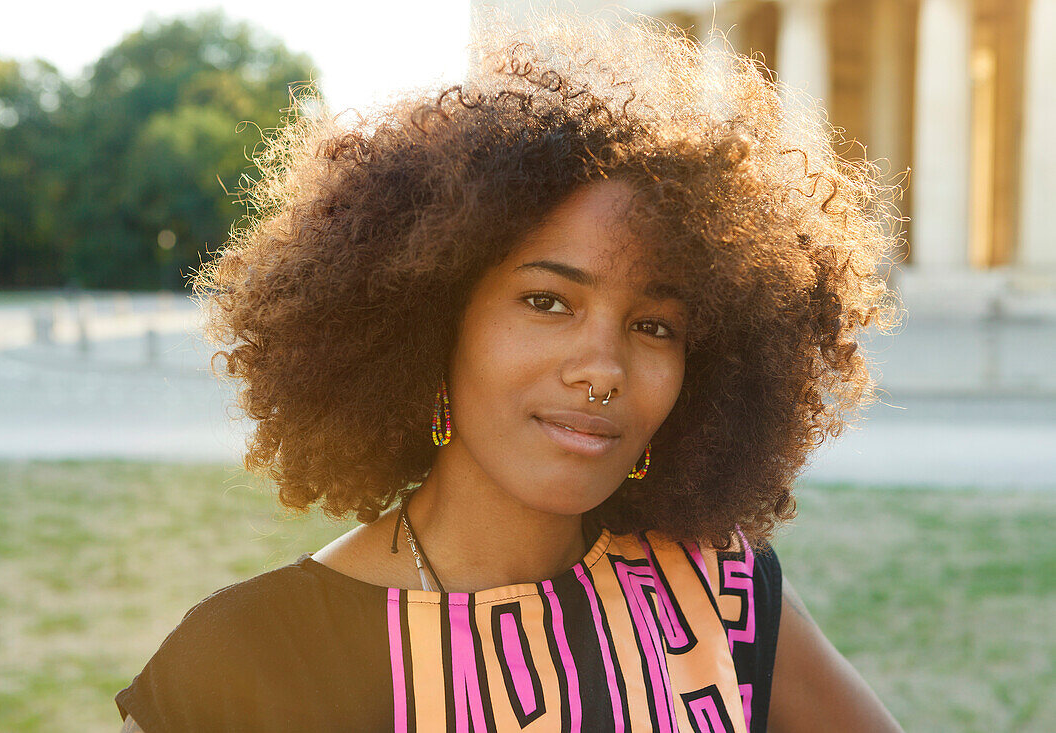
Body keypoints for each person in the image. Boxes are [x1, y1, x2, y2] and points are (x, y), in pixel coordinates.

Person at [117, 7, 905, 732]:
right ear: (431, 320)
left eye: (654, 325)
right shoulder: (248, 659)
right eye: (548, 301)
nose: (603, 369)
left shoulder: (717, 591)